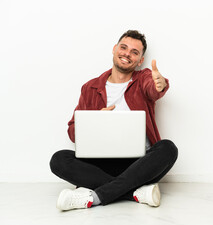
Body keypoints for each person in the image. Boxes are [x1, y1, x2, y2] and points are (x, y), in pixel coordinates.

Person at [50, 30, 178, 211]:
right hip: (99, 165)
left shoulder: (143, 79)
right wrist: (95, 121)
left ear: (140, 60)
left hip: (139, 164)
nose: (127, 54)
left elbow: (154, 87)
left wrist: (161, 84)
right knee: (59, 159)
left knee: (168, 148)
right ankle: (135, 193)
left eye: (135, 52)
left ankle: (94, 197)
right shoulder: (90, 87)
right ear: (114, 49)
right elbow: (73, 132)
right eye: (123, 47)